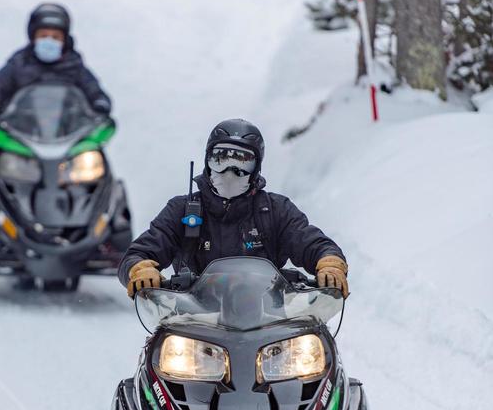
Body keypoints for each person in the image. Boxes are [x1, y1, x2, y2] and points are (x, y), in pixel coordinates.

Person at [121, 118, 349, 297]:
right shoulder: (183, 209)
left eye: (242, 162)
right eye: (221, 159)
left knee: (312, 352)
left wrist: (328, 263)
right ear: (207, 162)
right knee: (162, 354)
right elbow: (140, 251)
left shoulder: (275, 210)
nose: (230, 171)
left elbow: (311, 241)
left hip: (269, 323)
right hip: (191, 322)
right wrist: (140, 269)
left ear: (256, 168)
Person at [0, 3, 112, 117]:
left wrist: (100, 103)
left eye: (55, 37)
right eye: (43, 35)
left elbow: (94, 90)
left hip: (69, 133)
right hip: (21, 132)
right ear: (33, 37)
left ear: (64, 40)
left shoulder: (75, 65)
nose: (49, 41)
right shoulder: (19, 63)